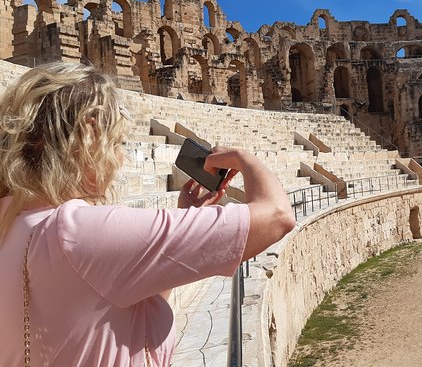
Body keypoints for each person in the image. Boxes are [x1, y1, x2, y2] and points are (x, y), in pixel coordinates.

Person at [0, 63, 295, 366]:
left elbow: (115, 308)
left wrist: (180, 226)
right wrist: (244, 158)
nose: (121, 157)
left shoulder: (12, 221)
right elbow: (277, 215)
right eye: (117, 143)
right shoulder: (78, 230)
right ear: (88, 133)